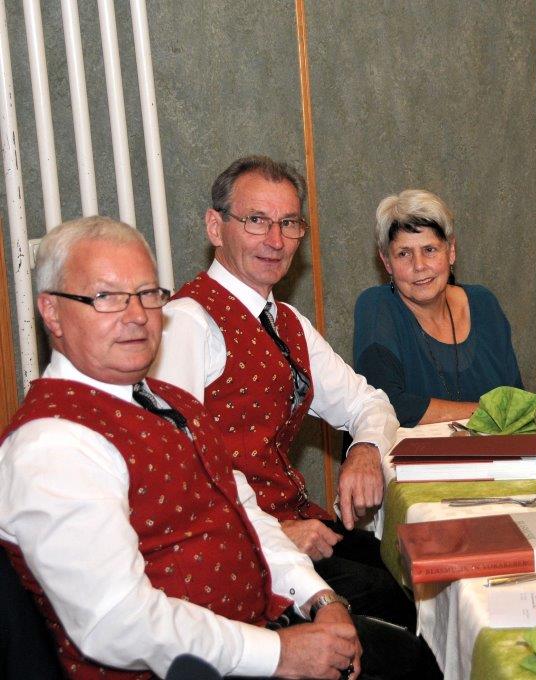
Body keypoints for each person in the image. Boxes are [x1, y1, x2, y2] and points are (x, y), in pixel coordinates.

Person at [0, 217, 371, 679]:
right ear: (52, 312)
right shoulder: (51, 444)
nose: (136, 315)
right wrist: (279, 653)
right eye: (106, 297)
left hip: (258, 630)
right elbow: (116, 623)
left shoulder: (172, 400)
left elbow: (247, 512)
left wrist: (320, 599)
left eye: (147, 294)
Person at [149, 156, 415, 632]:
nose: (275, 240)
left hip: (299, 527)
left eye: (289, 223)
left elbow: (369, 402)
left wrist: (366, 449)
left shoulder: (288, 321)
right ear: (215, 227)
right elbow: (180, 471)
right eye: (257, 220)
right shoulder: (186, 322)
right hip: (238, 556)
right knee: (402, 619)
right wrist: (273, 535)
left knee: (417, 569)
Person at [353, 189, 523, 427]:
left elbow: (517, 403)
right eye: (404, 254)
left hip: (496, 451)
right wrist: (487, 413)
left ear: (451, 251)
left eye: (429, 250)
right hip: (413, 453)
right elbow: (386, 405)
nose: (419, 265)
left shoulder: (484, 304)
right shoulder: (376, 307)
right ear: (387, 262)